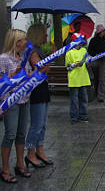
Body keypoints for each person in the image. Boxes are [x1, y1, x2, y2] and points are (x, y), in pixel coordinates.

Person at [0, 29, 31, 183]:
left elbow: (26, 76)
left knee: (21, 134)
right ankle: (5, 169)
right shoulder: (4, 59)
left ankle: (20, 164)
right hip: (10, 100)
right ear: (17, 41)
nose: (26, 42)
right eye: (24, 39)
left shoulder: (23, 57)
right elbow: (1, 81)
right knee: (10, 134)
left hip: (24, 99)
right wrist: (14, 75)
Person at [25, 24, 53, 169]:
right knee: (36, 124)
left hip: (43, 88)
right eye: (44, 34)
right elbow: (40, 70)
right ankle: (30, 152)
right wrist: (50, 60)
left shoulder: (40, 50)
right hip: (36, 90)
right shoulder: (32, 51)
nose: (46, 37)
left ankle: (39, 150)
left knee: (42, 124)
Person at [65, 36, 90, 123]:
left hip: (83, 78)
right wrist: (75, 64)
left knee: (84, 98)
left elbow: (87, 62)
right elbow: (67, 67)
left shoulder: (84, 50)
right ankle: (74, 117)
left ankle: (83, 115)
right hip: (74, 80)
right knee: (74, 100)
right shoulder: (69, 53)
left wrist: (88, 62)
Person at [88, 25, 105, 102]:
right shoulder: (93, 40)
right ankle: (96, 92)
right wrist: (95, 54)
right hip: (95, 60)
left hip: (103, 61)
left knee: (102, 78)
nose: (104, 33)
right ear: (99, 32)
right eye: (102, 31)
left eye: (104, 31)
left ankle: (100, 95)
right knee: (96, 77)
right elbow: (89, 50)